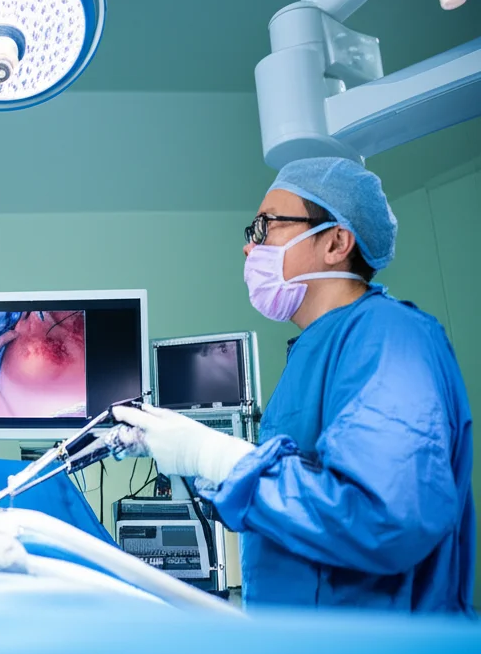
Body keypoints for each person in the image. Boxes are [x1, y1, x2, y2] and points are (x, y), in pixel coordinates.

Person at [113, 157, 474, 613]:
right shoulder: (313, 351)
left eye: (266, 227)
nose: (250, 248)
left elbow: (384, 519)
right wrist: (196, 460)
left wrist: (217, 456)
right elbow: (296, 510)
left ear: (336, 242)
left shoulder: (389, 336)